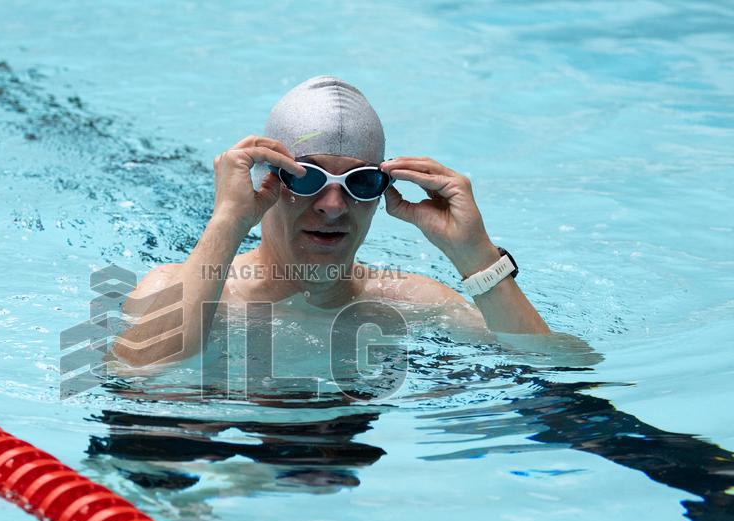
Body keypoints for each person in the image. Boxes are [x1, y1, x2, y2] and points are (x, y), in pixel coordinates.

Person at [113, 75, 554, 368]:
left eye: (361, 182)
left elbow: (556, 372)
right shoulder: (183, 288)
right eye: (306, 178)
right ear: (268, 179)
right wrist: (228, 219)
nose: (333, 205)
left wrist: (475, 255)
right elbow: (138, 373)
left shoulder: (410, 300)